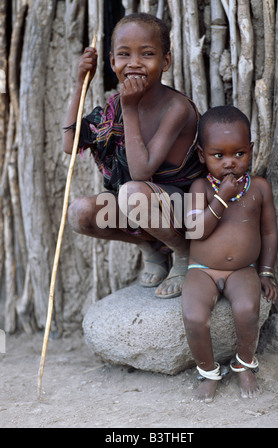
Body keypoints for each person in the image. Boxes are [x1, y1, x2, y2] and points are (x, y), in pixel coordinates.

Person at [63, 13, 206, 299]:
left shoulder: (176, 108)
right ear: (113, 62)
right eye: (124, 54)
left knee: (131, 192)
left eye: (147, 54)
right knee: (80, 213)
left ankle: (183, 253)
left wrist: (130, 109)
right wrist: (81, 83)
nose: (134, 63)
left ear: (165, 62)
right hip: (143, 205)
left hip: (186, 210)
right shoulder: (116, 105)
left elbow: (141, 172)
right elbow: (70, 144)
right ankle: (151, 247)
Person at [182, 105, 278, 402]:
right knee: (194, 316)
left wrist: (266, 272)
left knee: (248, 310)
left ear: (250, 149)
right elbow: (196, 231)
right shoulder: (200, 187)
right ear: (202, 155)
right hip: (202, 269)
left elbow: (269, 233)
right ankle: (209, 371)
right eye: (218, 155)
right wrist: (221, 197)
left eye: (239, 154)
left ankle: (244, 364)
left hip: (242, 270)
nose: (230, 163)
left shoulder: (259, 189)